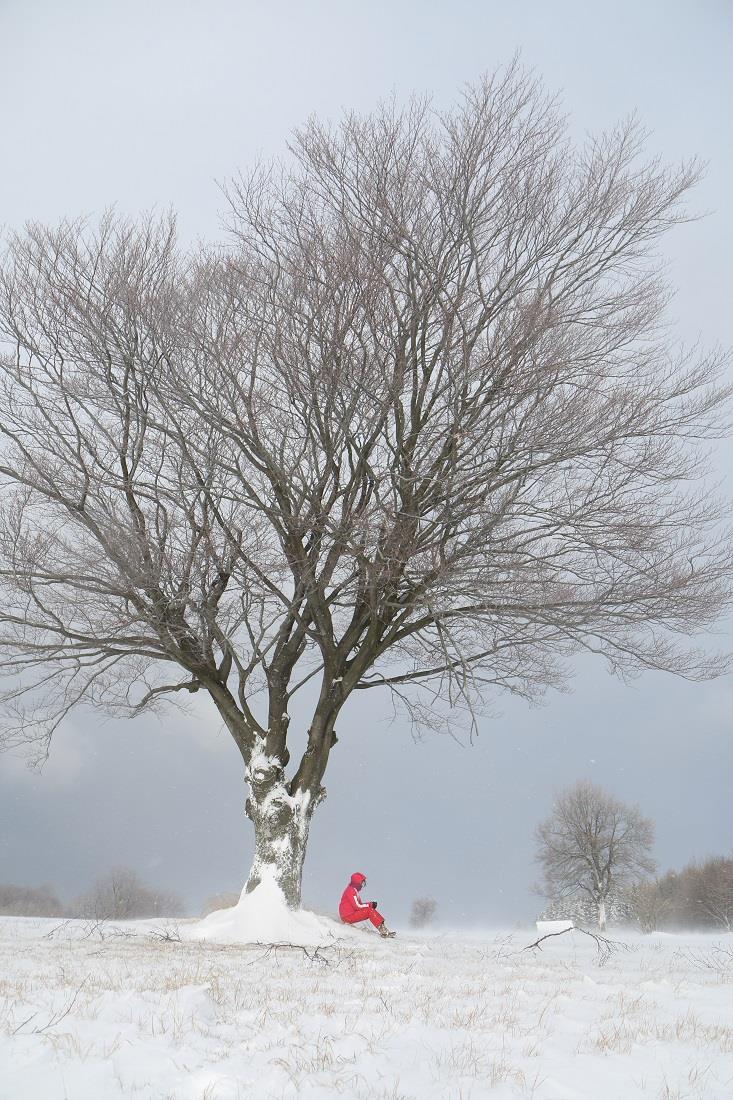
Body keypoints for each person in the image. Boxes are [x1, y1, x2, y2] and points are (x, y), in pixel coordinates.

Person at [339, 872, 395, 937]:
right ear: (357, 882)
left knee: (369, 910)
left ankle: (383, 929)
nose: (363, 884)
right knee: (369, 911)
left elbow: (359, 904)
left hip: (348, 915)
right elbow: (357, 906)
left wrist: (371, 904)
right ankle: (384, 931)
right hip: (348, 916)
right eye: (362, 882)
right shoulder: (351, 891)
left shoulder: (353, 890)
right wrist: (370, 905)